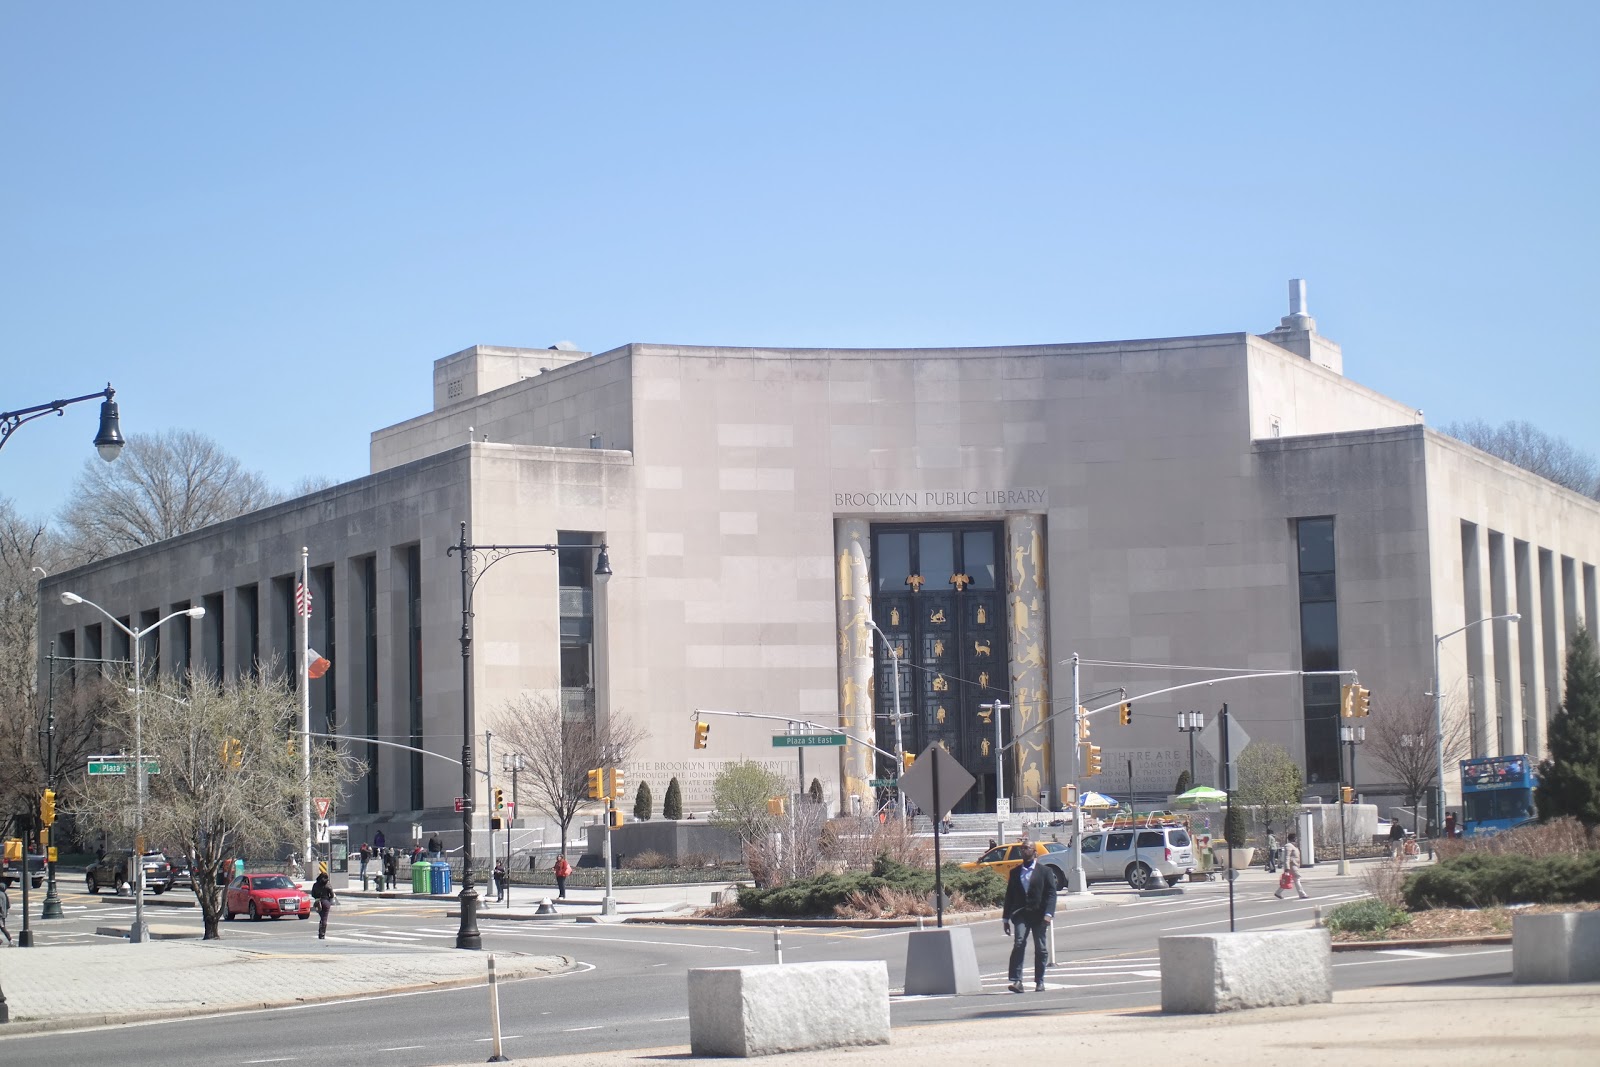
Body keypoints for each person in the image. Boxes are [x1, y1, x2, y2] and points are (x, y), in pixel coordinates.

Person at [1001, 846, 1056, 993]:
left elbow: (1051, 894)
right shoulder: (1015, 872)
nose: (1025, 850)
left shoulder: (1045, 871)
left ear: (1035, 852)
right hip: (1021, 914)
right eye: (1023, 849)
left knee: (1041, 948)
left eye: (1028, 848)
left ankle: (1040, 980)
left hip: (1039, 915)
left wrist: (1048, 914)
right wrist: (1005, 918)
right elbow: (1009, 896)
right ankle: (1017, 980)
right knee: (1019, 943)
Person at [1275, 832, 1309, 900]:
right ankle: (1302, 894)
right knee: (1297, 878)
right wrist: (1287, 868)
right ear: (1293, 839)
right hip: (1291, 865)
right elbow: (1287, 857)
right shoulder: (1288, 846)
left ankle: (1278, 892)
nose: (1296, 839)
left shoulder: (1294, 846)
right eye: (1295, 838)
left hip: (1295, 865)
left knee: (1287, 880)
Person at [311, 872, 336, 939]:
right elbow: (332, 895)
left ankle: (320, 931)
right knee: (324, 918)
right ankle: (322, 934)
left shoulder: (315, 885)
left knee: (322, 917)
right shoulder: (328, 885)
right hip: (326, 902)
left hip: (318, 902)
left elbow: (313, 894)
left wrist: (317, 898)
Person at [0, 880, 12, 946]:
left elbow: (0, 905)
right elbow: (8, 906)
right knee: (3, 928)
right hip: (4, 915)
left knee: (3, 929)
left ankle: (11, 941)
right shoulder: (5, 895)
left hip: (0, 915)